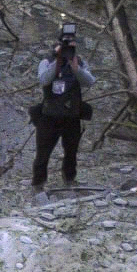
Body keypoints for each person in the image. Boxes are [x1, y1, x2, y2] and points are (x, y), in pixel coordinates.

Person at [31, 24, 95, 193]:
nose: (68, 47)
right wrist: (57, 60)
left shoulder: (79, 61)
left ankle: (69, 179)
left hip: (72, 115)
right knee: (43, 153)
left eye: (71, 44)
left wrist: (76, 69)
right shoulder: (47, 61)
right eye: (65, 43)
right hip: (49, 116)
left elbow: (90, 82)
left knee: (71, 152)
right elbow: (43, 80)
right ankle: (38, 184)